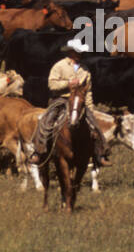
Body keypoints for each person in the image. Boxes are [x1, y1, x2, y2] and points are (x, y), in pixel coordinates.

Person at [29, 38, 108, 169]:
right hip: (61, 99)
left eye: (80, 52)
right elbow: (52, 84)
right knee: (46, 121)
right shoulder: (59, 66)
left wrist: (89, 108)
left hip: (80, 101)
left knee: (95, 127)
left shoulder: (85, 70)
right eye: (77, 52)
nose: (79, 55)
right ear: (70, 52)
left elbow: (88, 91)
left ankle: (101, 154)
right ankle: (39, 151)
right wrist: (67, 84)